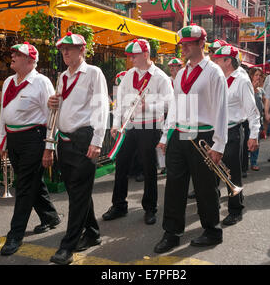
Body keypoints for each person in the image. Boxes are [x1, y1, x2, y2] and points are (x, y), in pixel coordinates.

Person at [154, 24, 228, 253]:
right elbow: (175, 107)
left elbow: (221, 109)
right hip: (179, 134)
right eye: (182, 44)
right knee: (174, 186)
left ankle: (212, 230)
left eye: (187, 44)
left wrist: (219, 144)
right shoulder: (182, 72)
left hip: (203, 133)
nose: (183, 48)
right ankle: (172, 233)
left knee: (205, 186)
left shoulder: (214, 72)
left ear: (200, 44)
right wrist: (167, 136)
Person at [46, 32, 109, 265]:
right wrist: (53, 104)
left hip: (84, 139)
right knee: (76, 193)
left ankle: (67, 247)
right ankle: (92, 233)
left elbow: (101, 107)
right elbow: (60, 109)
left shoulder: (94, 73)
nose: (65, 52)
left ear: (82, 50)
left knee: (78, 195)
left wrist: (97, 141)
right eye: (62, 49)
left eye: (69, 49)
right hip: (65, 141)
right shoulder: (62, 77)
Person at [0, 42, 60, 256]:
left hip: (34, 138)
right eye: (13, 52)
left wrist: (49, 147)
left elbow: (52, 116)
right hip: (14, 139)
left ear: (31, 61)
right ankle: (51, 217)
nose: (12, 55)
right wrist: (2, 139)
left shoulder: (42, 82)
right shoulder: (8, 81)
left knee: (24, 186)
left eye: (18, 53)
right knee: (33, 182)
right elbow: (3, 112)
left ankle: (15, 235)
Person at [103, 39, 173, 225]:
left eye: (134, 55)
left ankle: (150, 208)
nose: (131, 59)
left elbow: (170, 103)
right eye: (130, 56)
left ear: (145, 54)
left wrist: (148, 105)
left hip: (150, 126)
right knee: (122, 165)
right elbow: (119, 101)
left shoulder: (160, 77)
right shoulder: (128, 76)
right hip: (129, 126)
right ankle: (119, 205)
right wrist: (116, 124)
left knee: (149, 168)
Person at [212, 45, 260, 225]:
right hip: (215, 129)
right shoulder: (217, 76)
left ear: (228, 61)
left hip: (232, 130)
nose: (214, 61)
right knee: (213, 168)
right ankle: (213, 200)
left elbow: (252, 110)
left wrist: (253, 134)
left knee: (232, 173)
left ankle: (235, 209)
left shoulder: (241, 80)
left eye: (218, 59)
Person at [248, 67, 265, 171]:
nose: (258, 77)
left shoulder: (261, 90)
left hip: (258, 120)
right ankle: (244, 162)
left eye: (260, 75)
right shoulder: (247, 87)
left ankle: (254, 162)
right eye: (256, 75)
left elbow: (264, 103)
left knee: (256, 142)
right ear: (251, 76)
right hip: (247, 120)